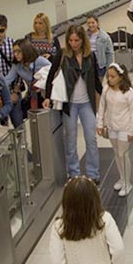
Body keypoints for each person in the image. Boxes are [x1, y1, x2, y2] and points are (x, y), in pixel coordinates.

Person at [58, 26, 104, 182]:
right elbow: (52, 76)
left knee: (91, 138)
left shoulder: (90, 56)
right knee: (70, 140)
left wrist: (105, 96)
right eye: (70, 40)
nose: (73, 44)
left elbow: (96, 79)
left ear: (83, 40)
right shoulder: (63, 55)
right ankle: (74, 173)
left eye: (76, 40)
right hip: (70, 104)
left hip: (86, 103)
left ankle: (93, 174)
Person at [96, 64, 133, 197]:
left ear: (121, 77)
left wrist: (132, 131)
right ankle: (122, 178)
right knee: (116, 153)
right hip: (112, 126)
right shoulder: (106, 89)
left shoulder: (129, 93)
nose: (110, 79)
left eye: (113, 76)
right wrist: (100, 123)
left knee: (123, 154)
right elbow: (102, 106)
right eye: (109, 76)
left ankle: (128, 183)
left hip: (125, 127)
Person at [4, 39, 51, 126]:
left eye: (18, 51)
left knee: (47, 123)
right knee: (33, 121)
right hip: (33, 95)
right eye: (14, 51)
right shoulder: (17, 66)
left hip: (47, 95)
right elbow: (7, 80)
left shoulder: (39, 61)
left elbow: (53, 73)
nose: (16, 54)